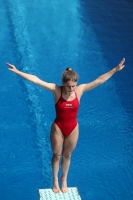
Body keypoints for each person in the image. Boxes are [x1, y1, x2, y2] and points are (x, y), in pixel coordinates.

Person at [6, 58, 125, 193]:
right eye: (68, 86)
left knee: (67, 155)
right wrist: (17, 72)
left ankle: (64, 179)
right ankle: (55, 180)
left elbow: (99, 80)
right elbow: (36, 80)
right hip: (58, 128)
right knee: (57, 155)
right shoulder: (56, 90)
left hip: (73, 128)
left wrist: (115, 70)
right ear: (63, 83)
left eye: (73, 86)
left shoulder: (79, 91)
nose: (71, 89)